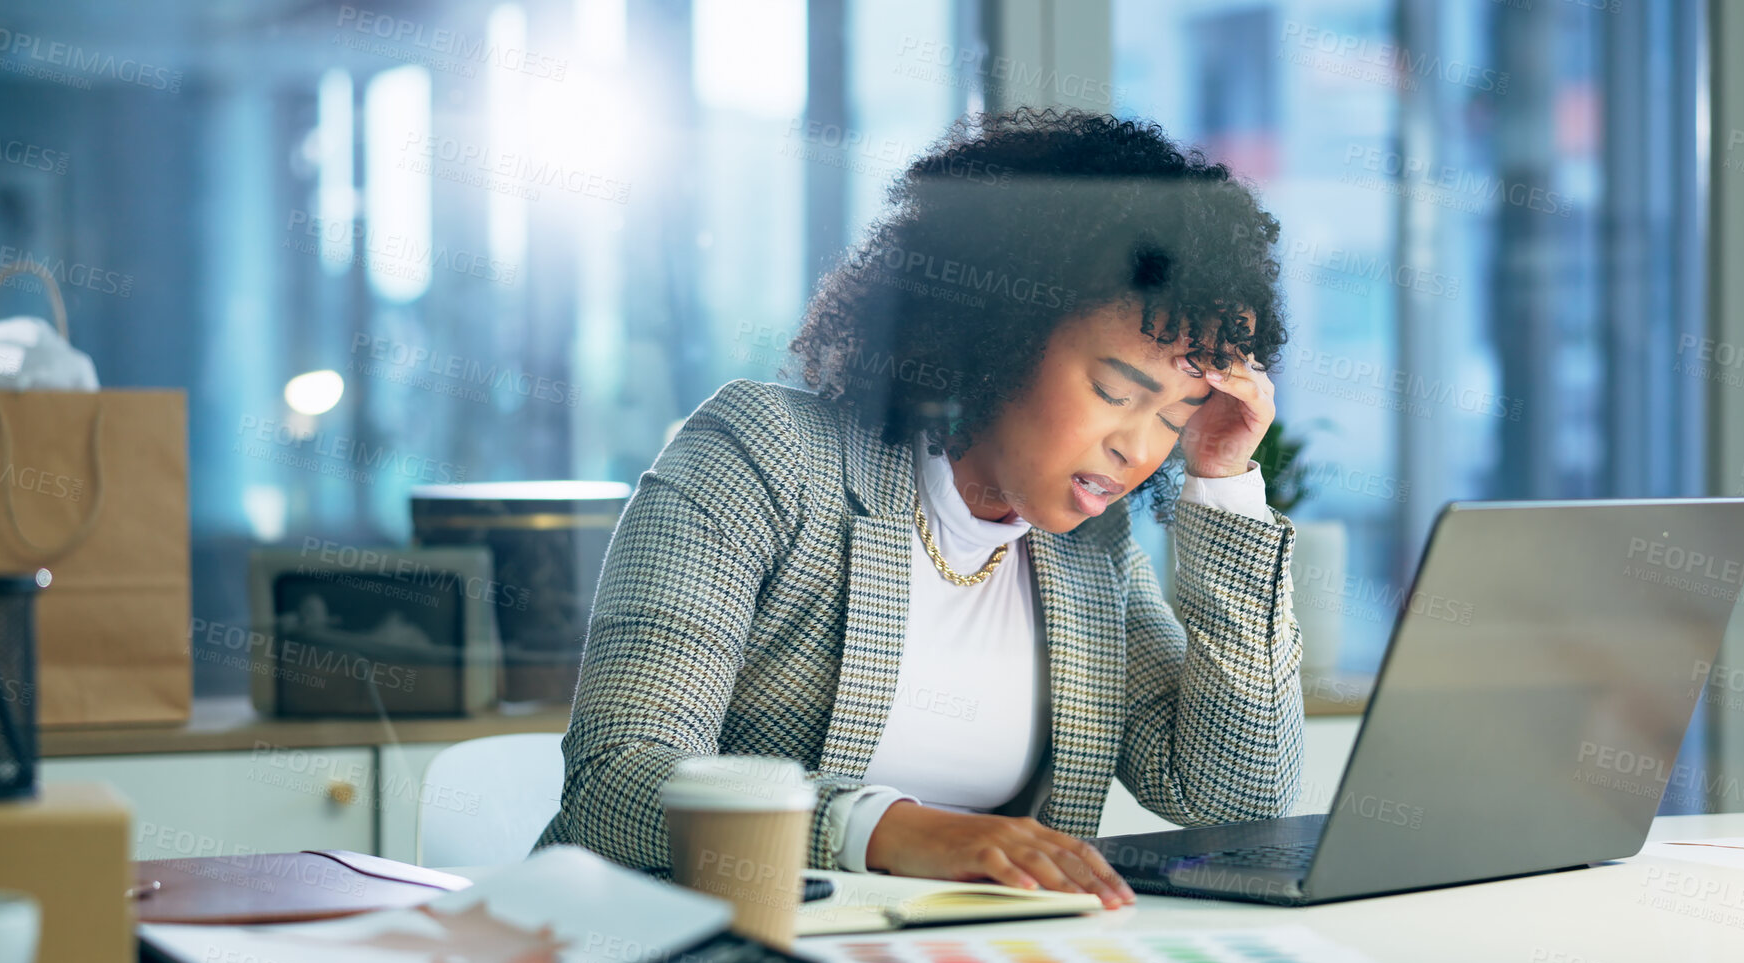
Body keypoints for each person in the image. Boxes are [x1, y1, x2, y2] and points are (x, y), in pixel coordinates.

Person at [536, 107, 1304, 911]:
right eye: (1115, 392)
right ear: (996, 335)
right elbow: (616, 775)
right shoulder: (766, 454)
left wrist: (1221, 478)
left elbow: (1234, 799)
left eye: (1175, 416)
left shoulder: (1089, 550)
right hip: (677, 955)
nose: (1136, 449)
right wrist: (894, 831)